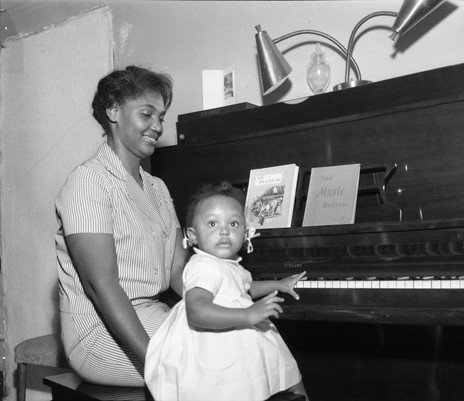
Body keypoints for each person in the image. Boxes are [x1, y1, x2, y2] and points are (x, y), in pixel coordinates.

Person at [54, 65, 189, 386]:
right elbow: (102, 288)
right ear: (113, 111)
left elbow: (177, 272)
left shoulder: (158, 188)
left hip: (152, 314)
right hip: (98, 330)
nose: (157, 126)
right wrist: (154, 358)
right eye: (147, 114)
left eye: (162, 116)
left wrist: (227, 305)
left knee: (247, 340)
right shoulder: (88, 182)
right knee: (206, 365)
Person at [145, 182, 309, 401]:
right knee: (232, 389)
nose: (224, 231)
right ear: (193, 235)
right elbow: (197, 311)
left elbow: (246, 289)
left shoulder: (232, 266)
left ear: (245, 233)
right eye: (212, 223)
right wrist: (248, 315)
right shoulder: (203, 266)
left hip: (242, 333)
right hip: (215, 343)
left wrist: (279, 284)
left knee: (283, 375)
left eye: (233, 223)